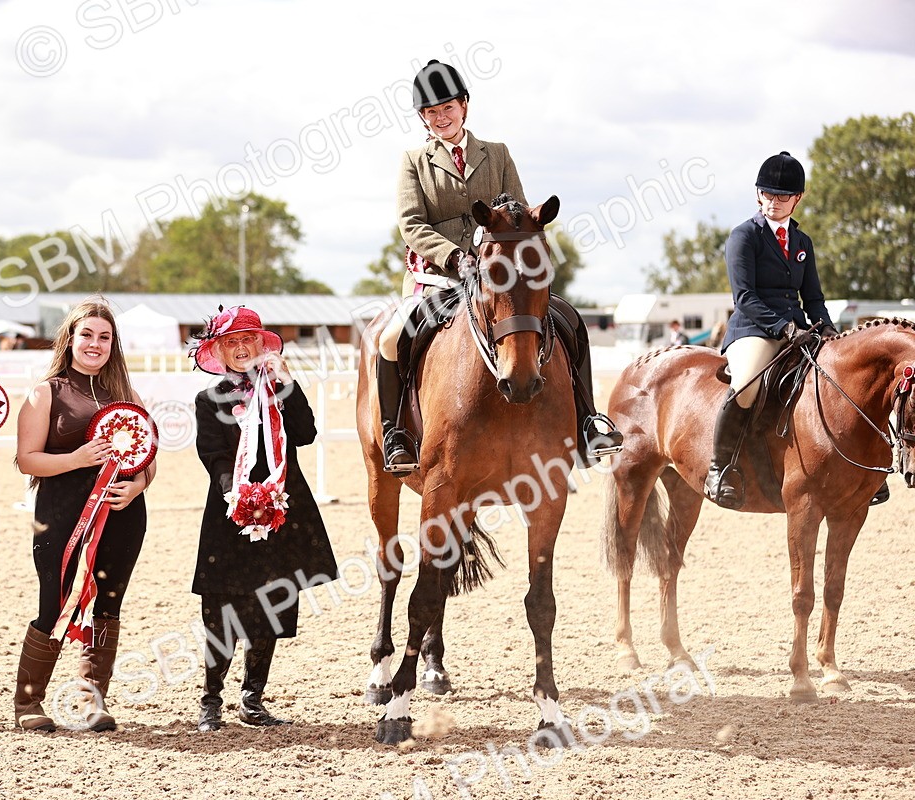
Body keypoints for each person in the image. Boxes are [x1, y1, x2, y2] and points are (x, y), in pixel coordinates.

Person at [377, 59, 622, 473]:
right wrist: (455, 257)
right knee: (390, 338)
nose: (441, 118)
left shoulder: (498, 154)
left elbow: (519, 214)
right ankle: (396, 432)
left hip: (499, 277)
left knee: (569, 320)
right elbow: (411, 224)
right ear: (423, 118)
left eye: (448, 109)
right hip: (436, 277)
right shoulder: (413, 161)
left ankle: (586, 421)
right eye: (432, 113)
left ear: (465, 107)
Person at [189, 306, 337, 732]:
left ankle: (253, 699)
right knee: (220, 608)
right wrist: (236, 497)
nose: (240, 349)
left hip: (283, 510)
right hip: (229, 513)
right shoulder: (209, 400)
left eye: (247, 340)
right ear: (219, 350)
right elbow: (213, 455)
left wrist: (287, 383)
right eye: (231, 342)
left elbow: (306, 433)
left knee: (272, 601)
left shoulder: (279, 391)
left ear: (261, 344)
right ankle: (211, 700)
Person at [13, 299, 155, 732]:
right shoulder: (47, 392)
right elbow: (27, 460)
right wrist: (76, 459)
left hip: (122, 515)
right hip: (62, 517)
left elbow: (148, 456)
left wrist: (140, 484)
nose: (95, 344)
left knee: (108, 605)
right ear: (70, 338)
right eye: (87, 335)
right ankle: (29, 703)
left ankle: (90, 700)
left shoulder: (127, 396)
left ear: (113, 344)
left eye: (104, 337)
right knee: (54, 603)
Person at [704, 152, 838, 509]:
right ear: (757, 194)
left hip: (796, 329)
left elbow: (813, 298)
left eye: (782, 197)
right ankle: (720, 469)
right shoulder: (744, 236)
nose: (773, 203)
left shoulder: (802, 243)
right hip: (753, 329)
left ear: (798, 199)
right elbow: (744, 296)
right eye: (767, 194)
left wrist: (827, 329)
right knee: (746, 383)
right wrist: (783, 328)